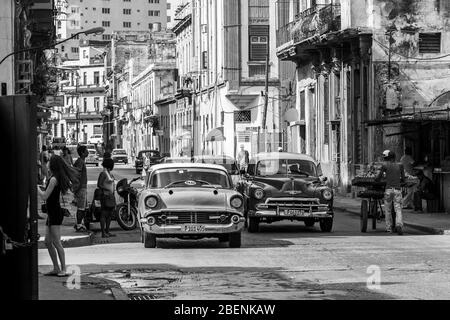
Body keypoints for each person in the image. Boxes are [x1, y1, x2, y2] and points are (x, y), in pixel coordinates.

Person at [37, 156, 77, 277]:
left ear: (52, 165)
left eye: (49, 162)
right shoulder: (52, 178)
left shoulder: (54, 179)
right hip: (52, 212)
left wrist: (36, 187)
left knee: (56, 242)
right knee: (48, 242)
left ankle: (63, 269)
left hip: (54, 213)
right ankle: (56, 267)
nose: (47, 163)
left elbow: (44, 196)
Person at [376, 150, 406, 235]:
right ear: (395, 157)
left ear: (388, 158)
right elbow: (403, 179)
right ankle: (399, 225)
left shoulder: (385, 165)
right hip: (397, 190)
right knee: (398, 208)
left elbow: (379, 177)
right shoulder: (400, 165)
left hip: (388, 191)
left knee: (388, 210)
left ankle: (388, 228)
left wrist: (377, 180)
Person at [97, 158, 117, 238]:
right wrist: (106, 189)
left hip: (110, 196)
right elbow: (99, 184)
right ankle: (103, 232)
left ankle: (107, 231)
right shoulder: (103, 174)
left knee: (109, 215)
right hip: (105, 196)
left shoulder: (109, 174)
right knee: (104, 214)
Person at [73, 145, 89, 232]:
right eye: (86, 150)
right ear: (82, 153)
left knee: (83, 208)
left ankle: (80, 223)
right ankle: (79, 225)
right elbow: (77, 174)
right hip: (81, 188)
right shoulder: (80, 162)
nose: (88, 152)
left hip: (82, 187)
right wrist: (77, 188)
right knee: (81, 208)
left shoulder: (81, 161)